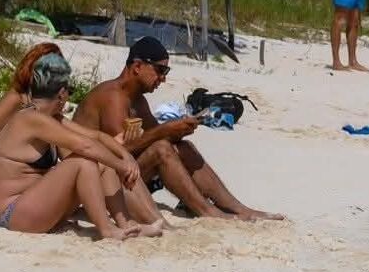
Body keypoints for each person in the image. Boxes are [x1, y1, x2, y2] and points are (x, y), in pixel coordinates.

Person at [73, 37, 282, 221]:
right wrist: (165, 131)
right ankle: (208, 211)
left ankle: (238, 208)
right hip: (97, 182)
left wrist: (178, 130)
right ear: (137, 66)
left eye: (166, 71)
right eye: (160, 70)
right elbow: (119, 151)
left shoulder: (138, 101)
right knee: (162, 149)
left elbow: (153, 135)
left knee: (183, 146)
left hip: (121, 176)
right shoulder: (112, 97)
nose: (163, 78)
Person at [0, 53, 161, 239]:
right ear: (61, 93)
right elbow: (85, 146)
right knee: (83, 162)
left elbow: (96, 136)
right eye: (70, 90)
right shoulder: (31, 119)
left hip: (35, 208)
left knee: (104, 164)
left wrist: (125, 156)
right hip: (12, 214)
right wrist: (123, 166)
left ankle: (126, 223)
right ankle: (107, 229)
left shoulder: (51, 118)